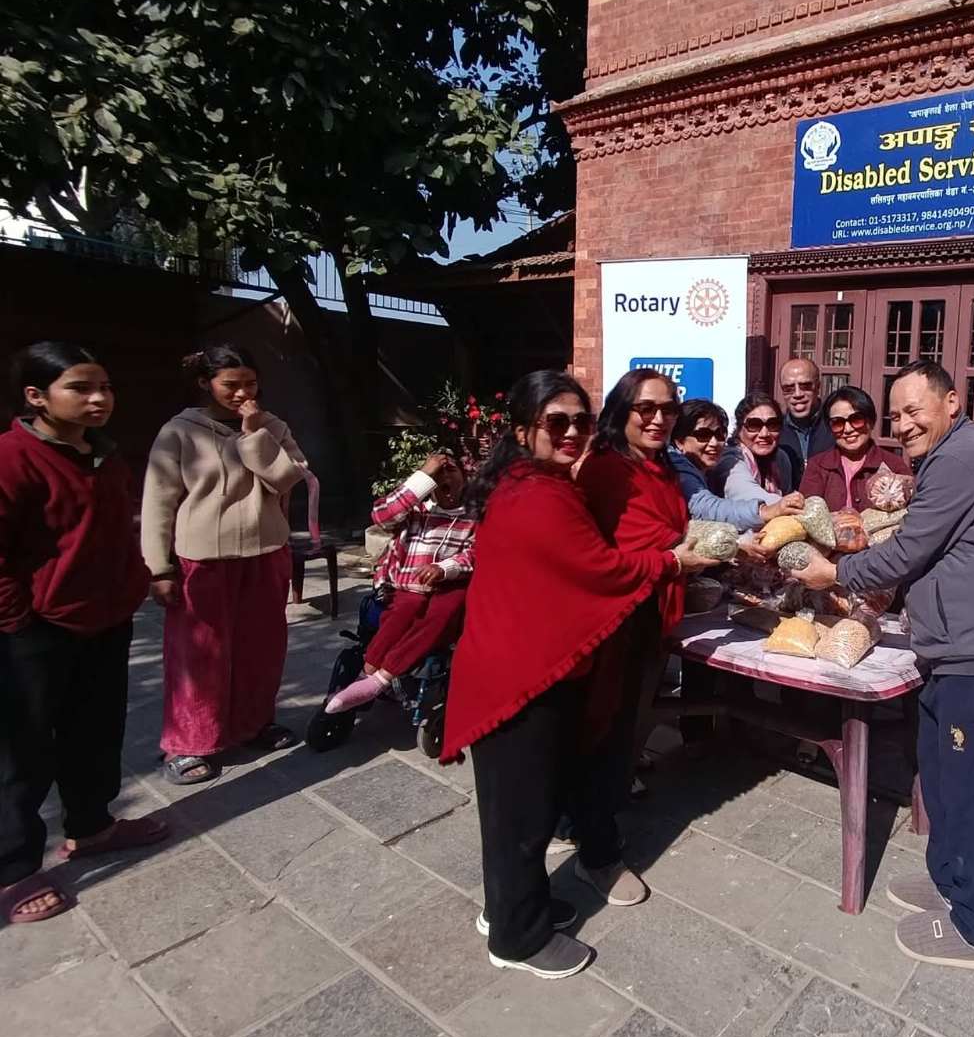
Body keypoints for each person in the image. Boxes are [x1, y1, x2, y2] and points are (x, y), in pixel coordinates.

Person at [441, 371, 716, 979]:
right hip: (521, 675)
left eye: (579, 422)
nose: (571, 433)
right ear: (521, 430)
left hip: (533, 661)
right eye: (556, 422)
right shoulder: (542, 492)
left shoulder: (538, 481)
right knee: (519, 814)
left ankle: (510, 908)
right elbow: (596, 566)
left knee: (525, 808)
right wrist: (671, 559)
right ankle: (519, 940)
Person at [796, 359, 974, 971]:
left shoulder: (960, 459)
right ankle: (948, 881)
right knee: (942, 778)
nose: (904, 424)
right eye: (898, 413)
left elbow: (908, 550)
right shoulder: (942, 459)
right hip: (953, 649)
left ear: (951, 404)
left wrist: (837, 573)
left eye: (915, 410)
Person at [0, 344, 167, 925]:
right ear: (36, 396)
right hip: (36, 629)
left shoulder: (105, 457)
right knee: (23, 752)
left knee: (96, 728)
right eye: (80, 388)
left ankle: (92, 826)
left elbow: (115, 532)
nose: (99, 399)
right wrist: (19, 619)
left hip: (105, 618)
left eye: (105, 386)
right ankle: (16, 869)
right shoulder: (12, 459)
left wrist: (134, 583)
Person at [142, 344, 306, 784]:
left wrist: (254, 434)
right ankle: (189, 742)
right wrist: (159, 568)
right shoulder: (179, 431)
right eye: (230, 385)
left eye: (250, 383)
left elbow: (289, 477)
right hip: (203, 559)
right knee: (198, 655)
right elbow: (159, 501)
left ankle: (253, 724)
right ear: (204, 383)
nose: (241, 393)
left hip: (266, 551)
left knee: (262, 648)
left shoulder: (272, 426)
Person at [573, 368, 689, 894]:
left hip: (651, 611)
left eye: (669, 409)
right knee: (607, 736)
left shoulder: (659, 466)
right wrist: (689, 555)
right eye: (647, 408)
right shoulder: (607, 469)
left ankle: (576, 820)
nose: (660, 418)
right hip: (615, 618)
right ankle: (597, 853)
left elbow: (674, 534)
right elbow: (633, 548)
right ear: (621, 412)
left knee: (620, 731)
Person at [325, 452, 475, 714]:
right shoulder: (415, 509)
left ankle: (377, 680)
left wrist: (444, 568)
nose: (444, 477)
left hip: (448, 583)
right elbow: (382, 516)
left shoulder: (474, 515)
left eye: (451, 470)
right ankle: (367, 671)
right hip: (406, 583)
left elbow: (477, 552)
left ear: (465, 476)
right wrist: (422, 478)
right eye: (438, 474)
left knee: (445, 611)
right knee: (407, 607)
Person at [667, 399, 802, 530]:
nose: (714, 443)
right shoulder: (677, 465)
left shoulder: (781, 459)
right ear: (679, 441)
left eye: (719, 434)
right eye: (703, 435)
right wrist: (766, 510)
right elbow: (706, 508)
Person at [798, 384, 911, 511]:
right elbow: (807, 513)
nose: (848, 429)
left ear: (871, 421)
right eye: (838, 423)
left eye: (856, 419)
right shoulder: (818, 465)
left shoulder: (893, 464)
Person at [724, 391, 798, 504]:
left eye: (772, 424)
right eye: (754, 425)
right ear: (739, 429)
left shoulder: (781, 459)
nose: (764, 434)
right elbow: (749, 495)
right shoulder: (731, 460)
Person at [775, 357, 834, 479]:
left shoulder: (836, 425)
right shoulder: (774, 430)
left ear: (818, 387)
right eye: (788, 389)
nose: (797, 394)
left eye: (805, 386)